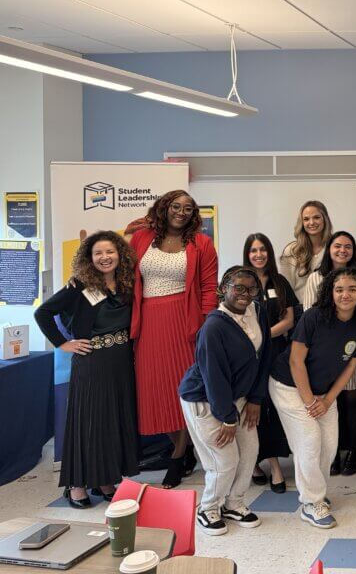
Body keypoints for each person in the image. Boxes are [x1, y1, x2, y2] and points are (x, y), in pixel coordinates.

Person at [34, 231, 139, 508]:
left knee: (111, 422)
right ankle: (76, 484)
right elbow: (42, 312)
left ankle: (105, 479)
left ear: (120, 254)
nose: (105, 258)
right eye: (98, 253)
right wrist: (62, 343)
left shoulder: (127, 284)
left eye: (110, 252)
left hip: (120, 362)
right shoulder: (79, 285)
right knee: (88, 422)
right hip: (92, 362)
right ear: (89, 258)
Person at [269, 267, 356, 529]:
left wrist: (327, 401)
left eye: (352, 289)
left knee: (329, 444)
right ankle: (311, 502)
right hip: (289, 386)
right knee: (310, 440)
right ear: (330, 292)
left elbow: (351, 366)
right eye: (339, 289)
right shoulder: (314, 316)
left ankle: (317, 492)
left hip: (324, 392)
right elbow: (295, 361)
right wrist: (309, 402)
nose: (345, 295)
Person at [130, 189, 218, 489]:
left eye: (189, 208)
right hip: (149, 323)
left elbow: (208, 288)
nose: (182, 212)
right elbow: (124, 274)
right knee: (155, 392)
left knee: (182, 390)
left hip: (184, 323)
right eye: (176, 206)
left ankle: (178, 457)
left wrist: (205, 326)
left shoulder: (202, 244)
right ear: (165, 208)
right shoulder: (142, 239)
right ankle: (184, 450)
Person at [179, 267, 272, 536]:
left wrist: (255, 398)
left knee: (250, 450)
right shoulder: (214, 327)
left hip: (241, 397)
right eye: (238, 288)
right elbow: (214, 377)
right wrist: (227, 417)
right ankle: (208, 508)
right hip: (206, 399)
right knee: (225, 459)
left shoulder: (258, 313)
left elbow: (264, 356)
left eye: (251, 289)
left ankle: (234, 503)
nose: (245, 294)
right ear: (224, 289)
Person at [303, 230, 356, 477]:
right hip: (324, 353)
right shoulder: (315, 278)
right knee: (329, 402)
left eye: (348, 246)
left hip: (352, 347)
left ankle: (353, 451)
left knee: (353, 400)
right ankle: (332, 454)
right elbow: (311, 313)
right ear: (328, 249)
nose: (342, 250)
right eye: (337, 246)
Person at [242, 233, 299, 493]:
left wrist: (264, 334)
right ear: (247, 254)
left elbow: (289, 319)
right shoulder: (240, 282)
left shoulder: (279, 281)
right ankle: (257, 463)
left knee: (275, 408)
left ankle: (276, 466)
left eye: (263, 249)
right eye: (253, 250)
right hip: (248, 355)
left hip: (276, 353)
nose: (258, 254)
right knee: (254, 407)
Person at [279, 201, 333, 299]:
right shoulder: (292, 251)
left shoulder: (336, 248)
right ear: (302, 223)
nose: (311, 222)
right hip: (299, 310)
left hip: (329, 309)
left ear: (325, 219)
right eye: (306, 219)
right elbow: (284, 288)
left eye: (316, 217)